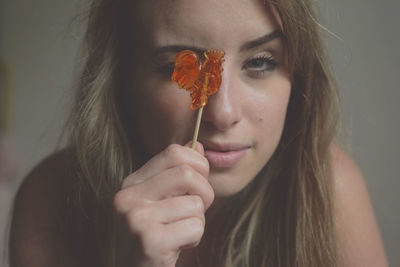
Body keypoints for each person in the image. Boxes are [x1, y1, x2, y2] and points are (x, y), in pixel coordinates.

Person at [8, 0, 388, 266]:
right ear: (123, 79)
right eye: (179, 67)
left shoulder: (328, 192)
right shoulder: (52, 204)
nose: (222, 114)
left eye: (259, 62)